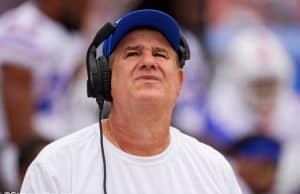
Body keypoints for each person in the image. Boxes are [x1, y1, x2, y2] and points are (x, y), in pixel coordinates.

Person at [20, 9, 242, 194]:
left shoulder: (214, 170)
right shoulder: (55, 167)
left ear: (179, 82)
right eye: (133, 53)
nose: (148, 62)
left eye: (160, 54)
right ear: (105, 79)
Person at [0, 0, 91, 189]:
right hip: (22, 155)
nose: (88, 5)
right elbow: (20, 132)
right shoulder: (23, 30)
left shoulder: (65, 30)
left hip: (61, 143)